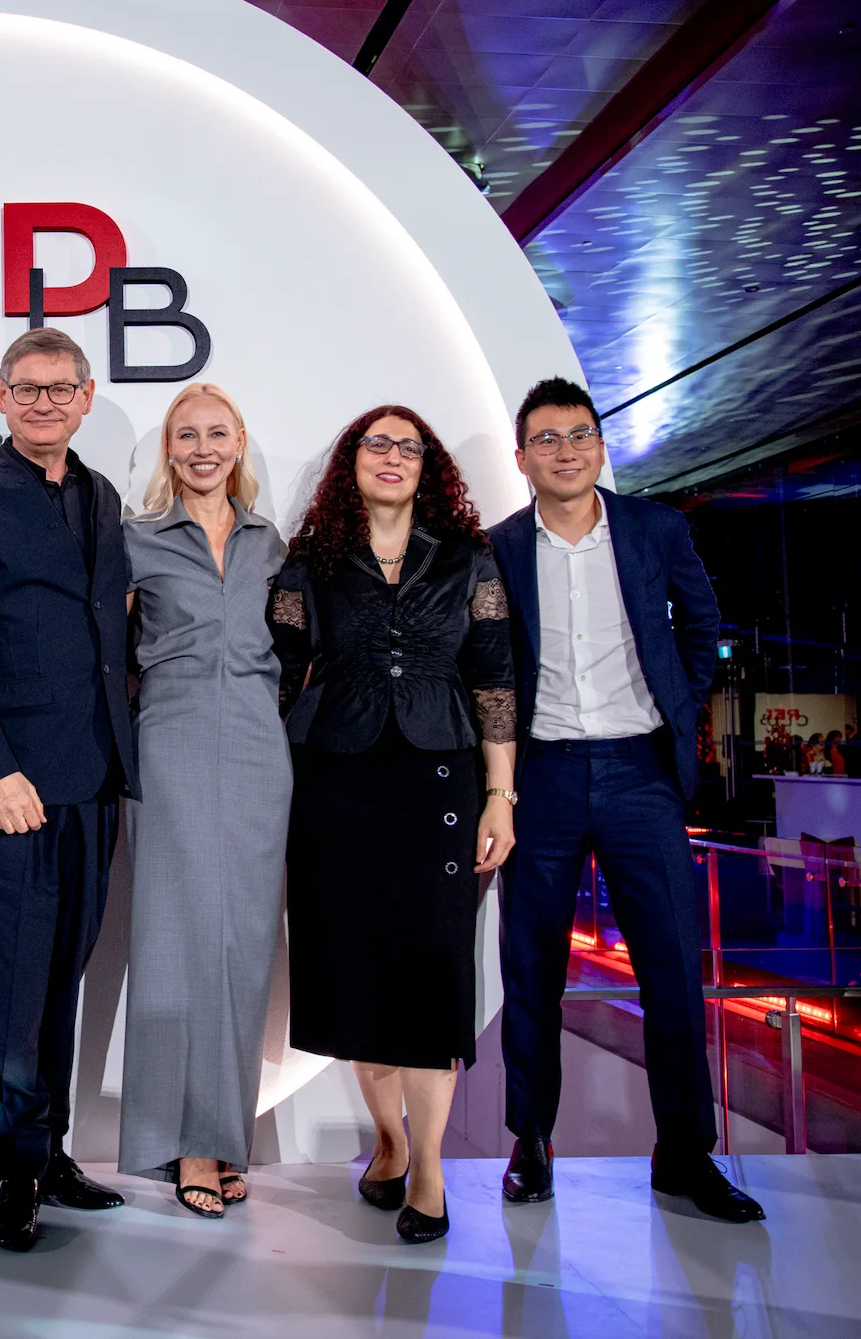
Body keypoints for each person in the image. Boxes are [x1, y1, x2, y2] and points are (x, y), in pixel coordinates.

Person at [490, 376, 764, 1224]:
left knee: (674, 970)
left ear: (600, 446)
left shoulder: (655, 529)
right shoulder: (497, 546)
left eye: (580, 435)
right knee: (529, 970)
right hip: (541, 779)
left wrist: (677, 703)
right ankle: (530, 1142)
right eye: (547, 438)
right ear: (522, 456)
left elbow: (701, 623)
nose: (565, 450)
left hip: (641, 774)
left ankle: (685, 1155)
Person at [268, 404, 516, 1245]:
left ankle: (432, 1169)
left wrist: (501, 795)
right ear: (351, 462)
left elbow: (493, 675)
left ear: (428, 468)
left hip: (439, 775)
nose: (393, 457)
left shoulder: (468, 558)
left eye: (409, 447)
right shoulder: (310, 562)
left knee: (431, 974)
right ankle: (387, 1140)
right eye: (377, 443)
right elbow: (277, 671)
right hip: (334, 779)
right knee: (358, 974)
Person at [0, 327, 138, 1252]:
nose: (45, 402)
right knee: (7, 986)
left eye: (62, 388)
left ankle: (48, 1152)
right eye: (28, 389)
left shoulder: (104, 496)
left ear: (86, 398)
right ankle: (12, 1173)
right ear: (1, 399)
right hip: (11, 787)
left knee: (60, 980)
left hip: (94, 781)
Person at [116, 383, 288, 1217]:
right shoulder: (137, 539)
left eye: (218, 433)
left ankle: (225, 1135)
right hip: (172, 737)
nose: (203, 448)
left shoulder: (271, 542)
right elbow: (106, 657)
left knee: (244, 945)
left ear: (241, 441)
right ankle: (183, 1145)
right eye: (188, 436)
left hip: (260, 743)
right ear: (169, 451)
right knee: (176, 940)